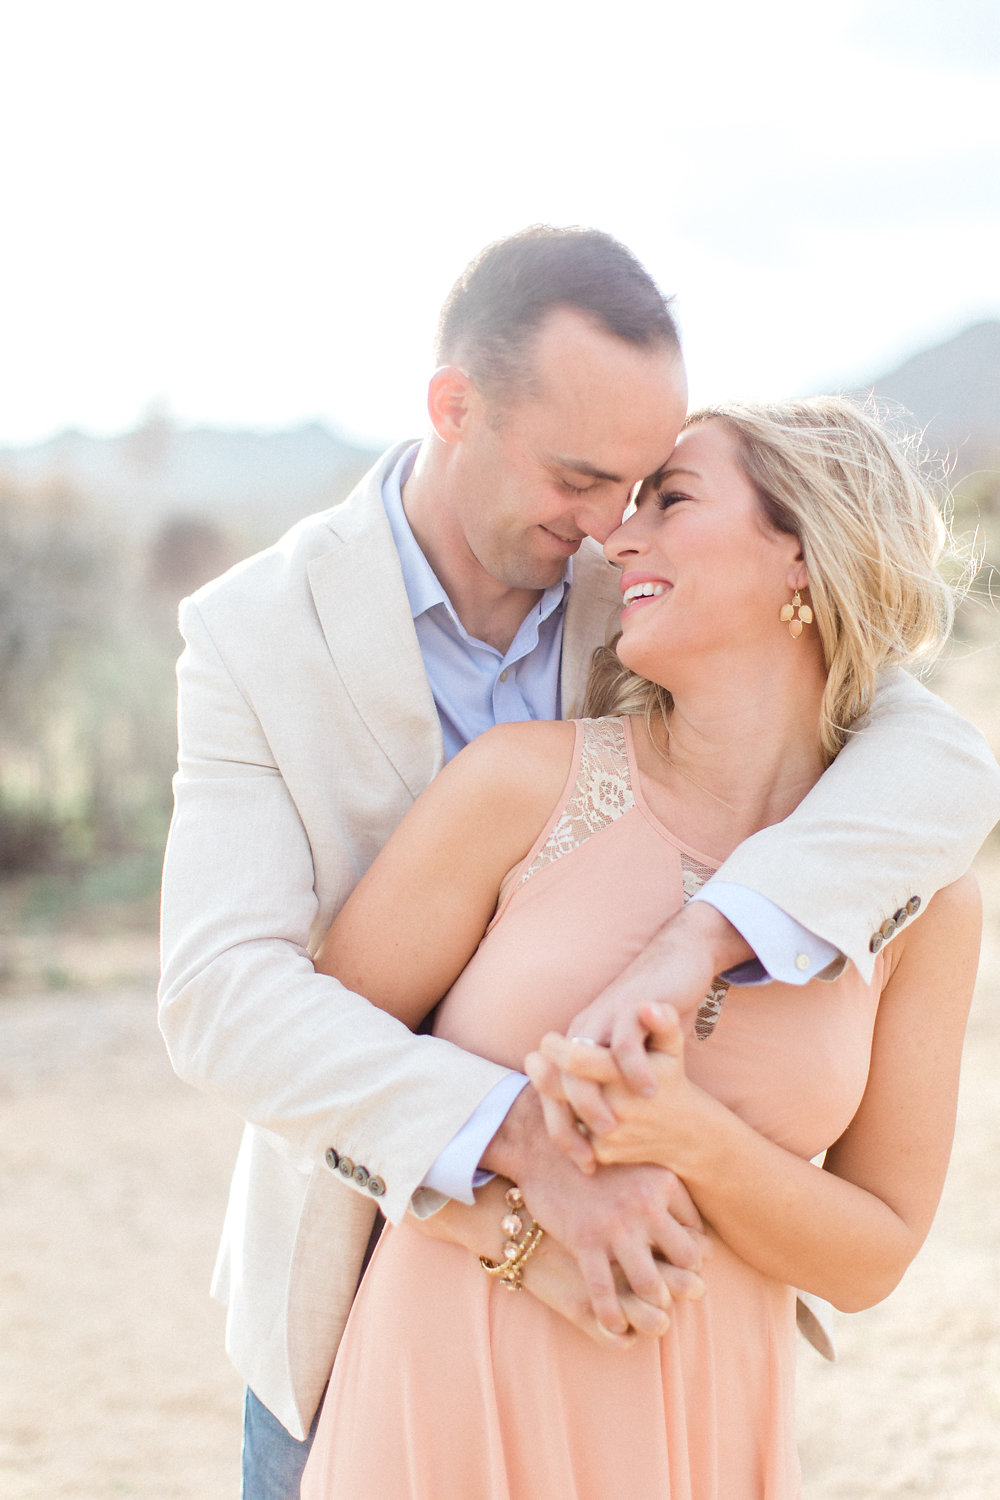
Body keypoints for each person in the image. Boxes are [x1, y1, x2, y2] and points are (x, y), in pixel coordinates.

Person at [157, 228, 1000, 1500]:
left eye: (650, 485)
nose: (611, 528)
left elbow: (942, 762)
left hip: (693, 1385)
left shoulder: (647, 596)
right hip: (377, 1271)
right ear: (454, 409)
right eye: (584, 478)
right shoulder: (255, 636)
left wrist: (704, 935)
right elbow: (226, 997)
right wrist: (523, 1171)